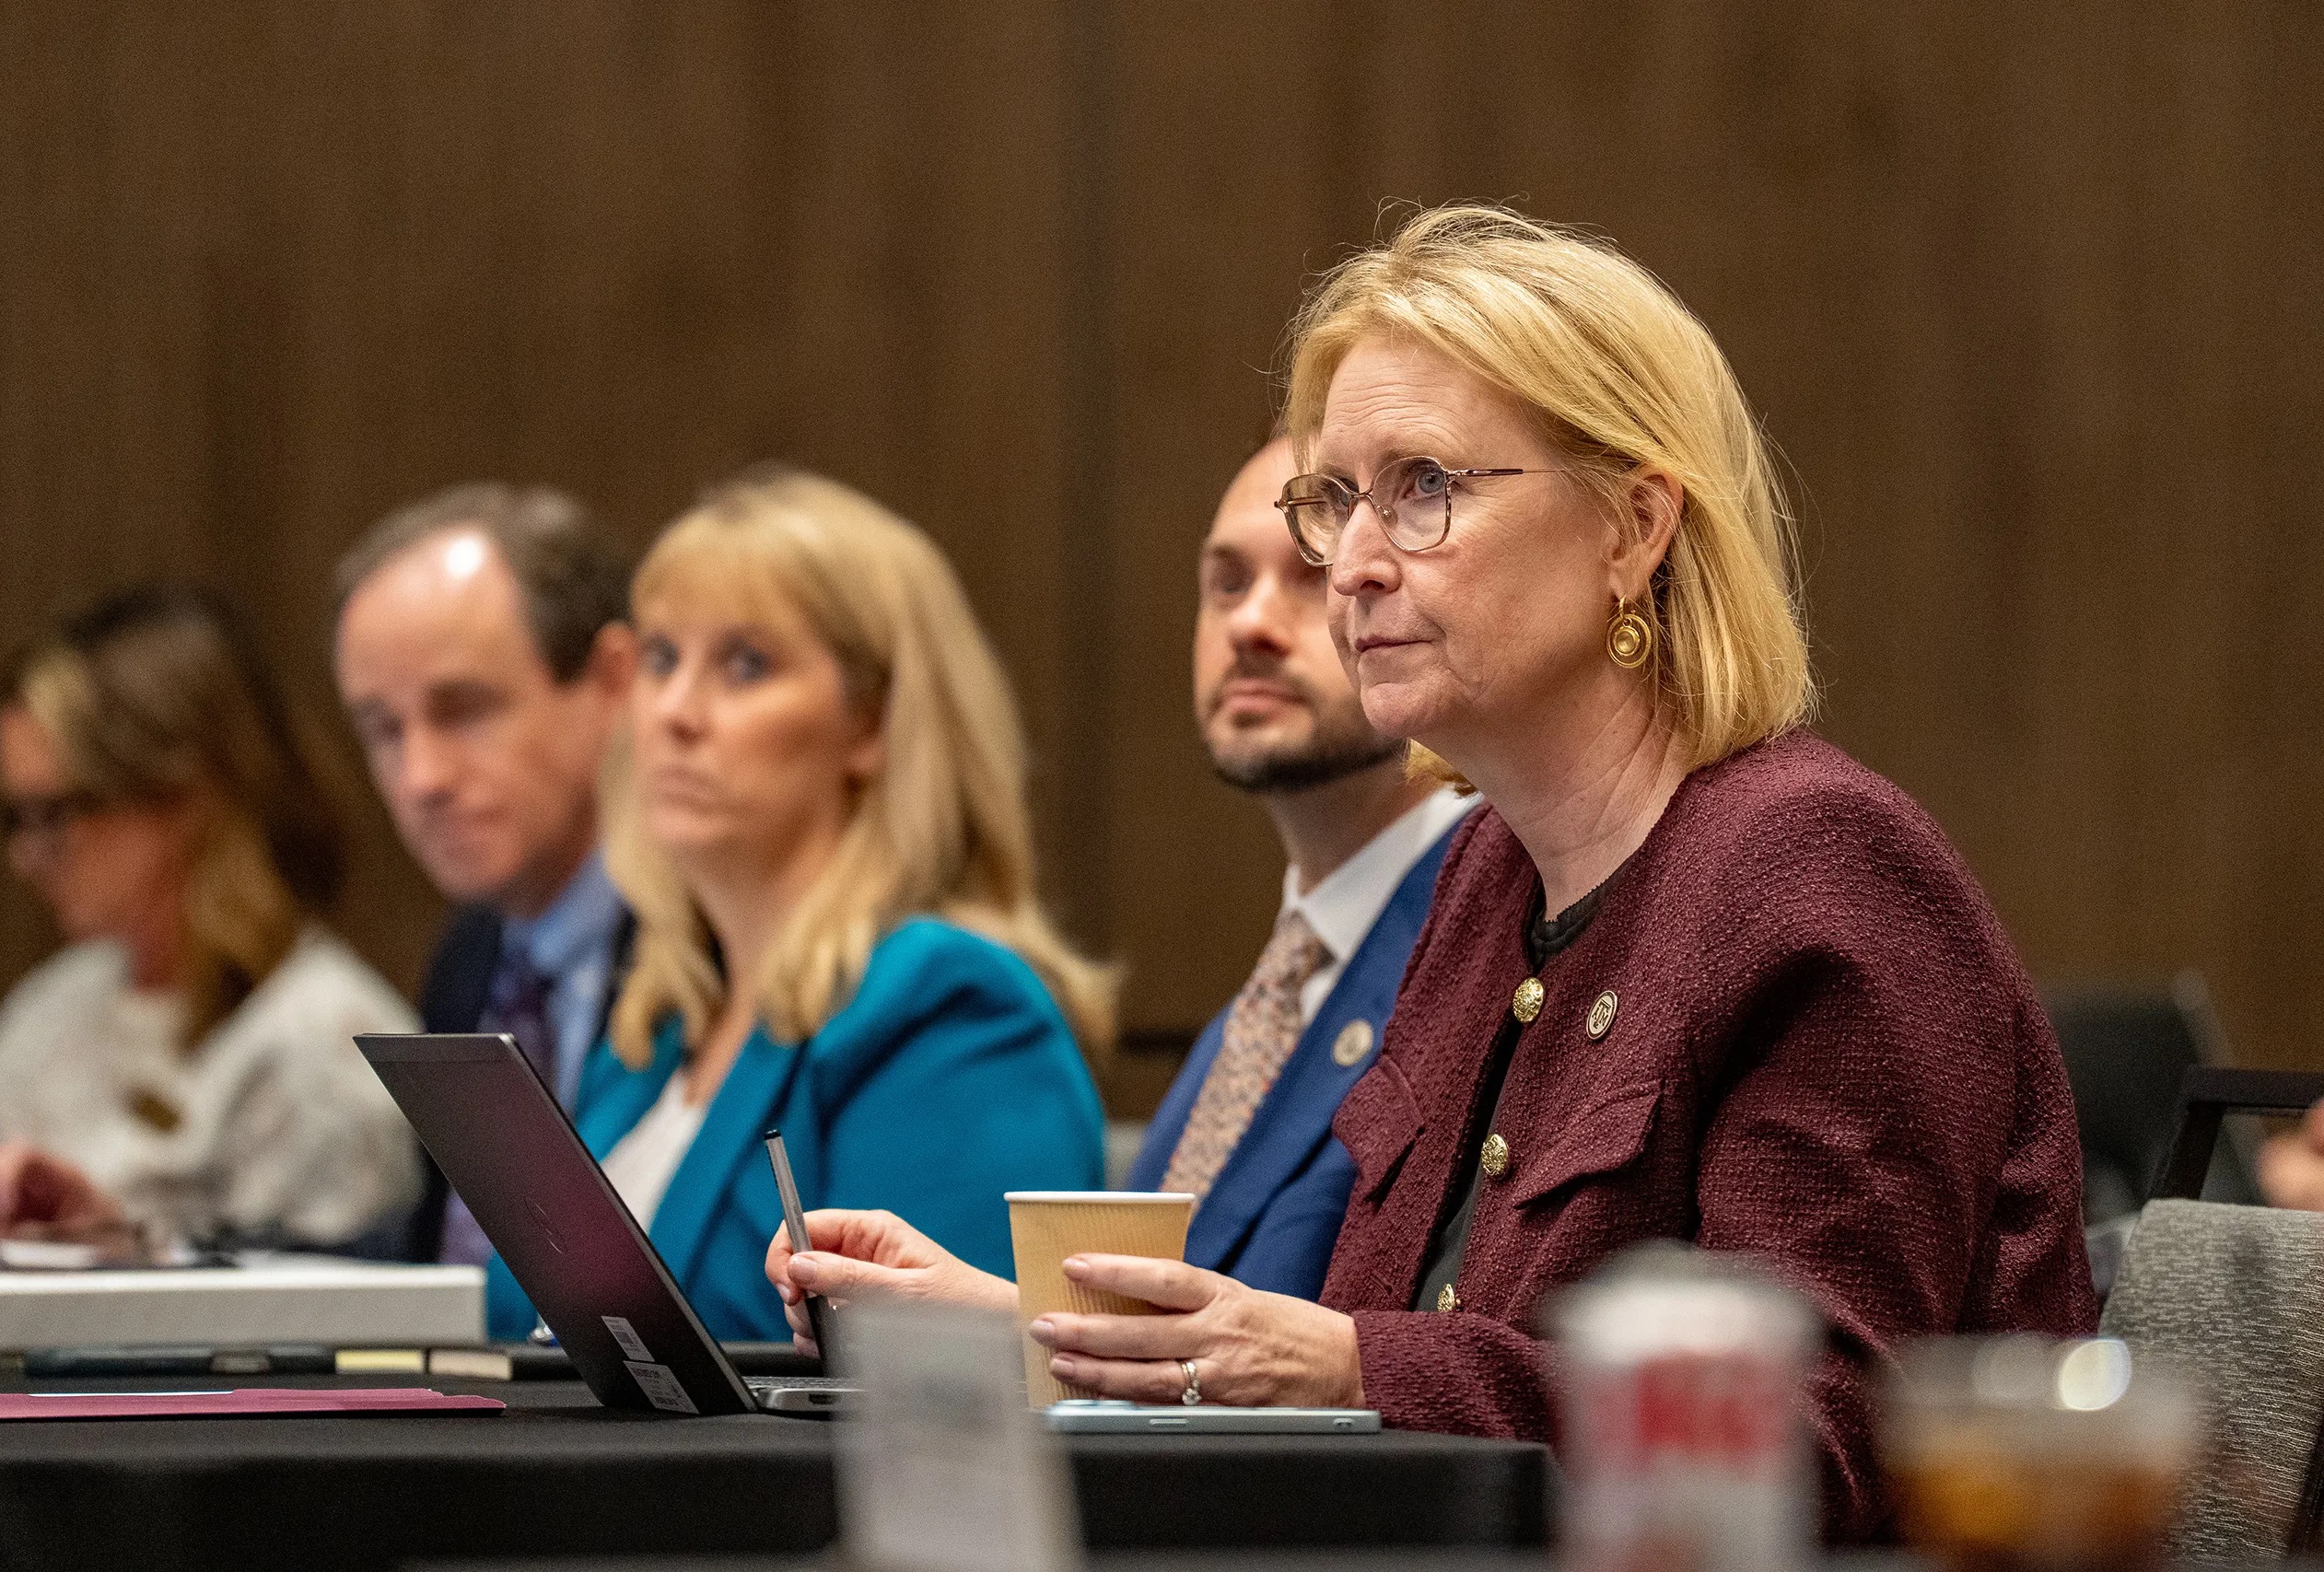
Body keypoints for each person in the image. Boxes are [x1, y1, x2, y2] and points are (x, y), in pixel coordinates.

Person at [766, 207, 2096, 1539]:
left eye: (1422, 487)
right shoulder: (1481, 875)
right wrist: (1029, 1331)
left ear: (1634, 524)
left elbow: (1818, 1438)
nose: (1349, 564)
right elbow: (1364, 1356)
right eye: (1333, 498)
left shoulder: (1816, 865)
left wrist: (1345, 1365)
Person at [484, 464, 1112, 1340]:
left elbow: (940, 1405)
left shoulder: (949, 1007)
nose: (674, 711)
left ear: (869, 724)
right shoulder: (656, 1029)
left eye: (744, 664)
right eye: (661, 658)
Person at [0, 585, 418, 1248]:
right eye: (16, 818)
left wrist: (125, 1252)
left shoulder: (325, 1044)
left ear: (182, 794)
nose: (25, 857)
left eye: (55, 815)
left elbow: (303, 1330)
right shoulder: (47, 1011)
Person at [1127, 436, 1475, 1298]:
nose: (1249, 623)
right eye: (1228, 582)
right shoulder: (1266, 999)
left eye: (1311, 571)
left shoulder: (1489, 933)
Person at [333, 484, 636, 1263]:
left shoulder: (720, 954)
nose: (421, 777)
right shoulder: (474, 955)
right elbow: (442, 1263)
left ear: (612, 683)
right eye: (383, 730)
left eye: (463, 710)